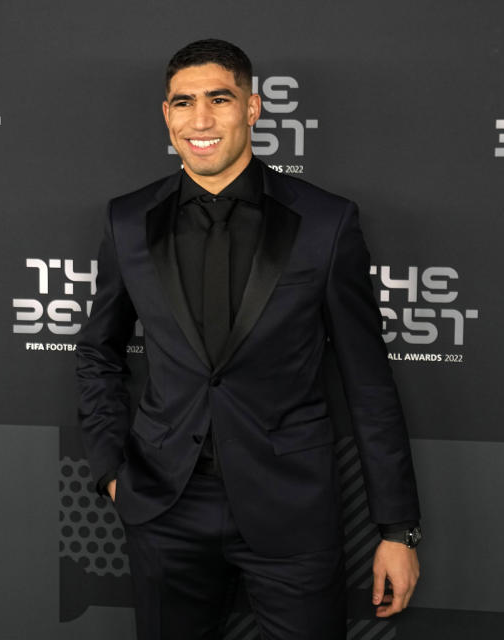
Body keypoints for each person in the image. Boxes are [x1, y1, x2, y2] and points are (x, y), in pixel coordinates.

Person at [76, 38, 421, 639]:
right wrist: (111, 467)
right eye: (183, 103)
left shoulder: (326, 222)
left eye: (220, 99)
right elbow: (98, 352)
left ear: (254, 108)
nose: (200, 120)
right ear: (166, 115)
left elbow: (368, 383)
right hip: (164, 506)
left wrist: (397, 530)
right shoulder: (127, 220)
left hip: (292, 512)